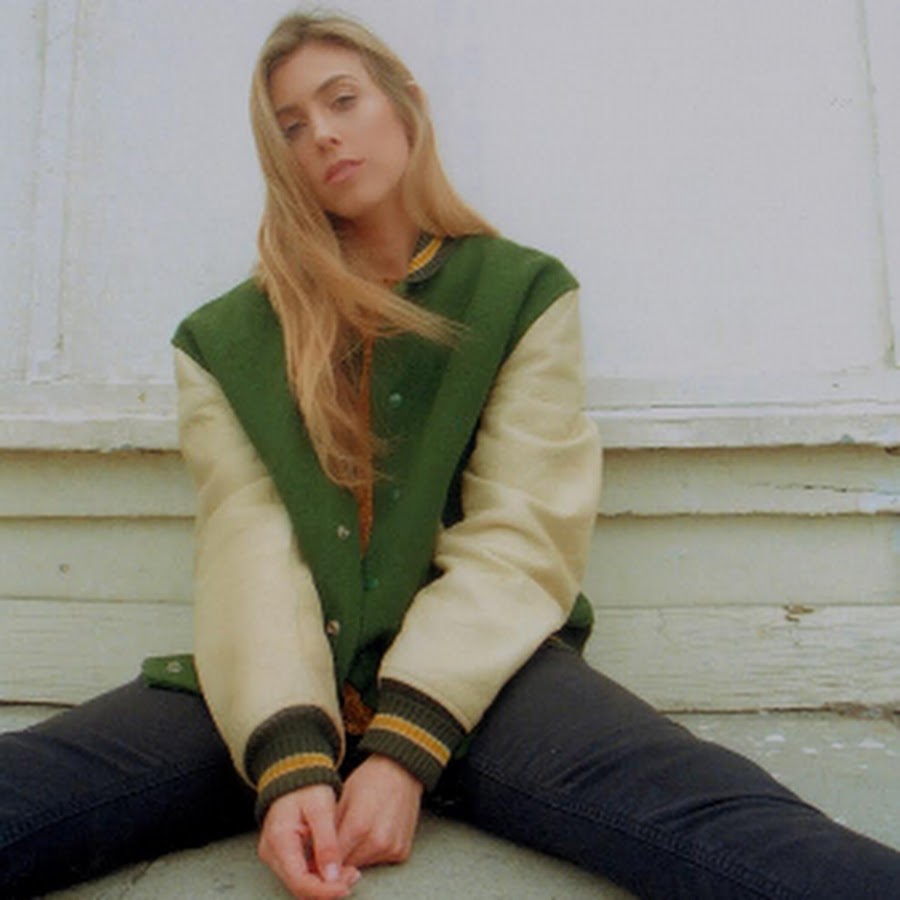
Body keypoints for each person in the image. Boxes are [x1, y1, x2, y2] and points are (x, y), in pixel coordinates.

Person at [1, 11, 898, 900]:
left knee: (736, 830)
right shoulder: (223, 338)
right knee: (28, 788)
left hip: (484, 680)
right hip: (269, 684)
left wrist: (403, 746)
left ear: (406, 105)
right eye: (292, 127)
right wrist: (289, 761)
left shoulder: (521, 292)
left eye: (342, 100)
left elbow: (521, 532)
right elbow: (251, 550)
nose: (323, 136)